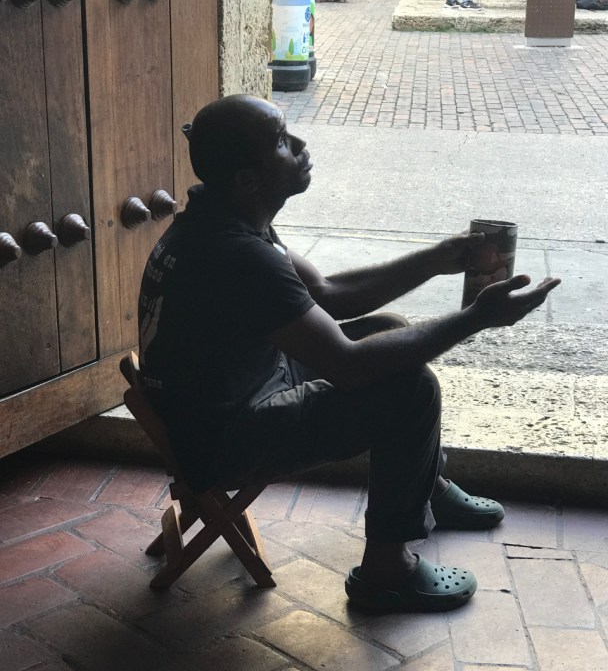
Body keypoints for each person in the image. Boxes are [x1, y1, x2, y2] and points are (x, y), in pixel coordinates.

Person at [138, 94, 560, 614]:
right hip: (226, 441)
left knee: (386, 330)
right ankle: (386, 571)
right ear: (248, 179)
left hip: (227, 396)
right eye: (281, 142)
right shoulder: (238, 254)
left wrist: (436, 259)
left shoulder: (222, 214)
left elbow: (328, 293)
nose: (300, 145)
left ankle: (426, 484)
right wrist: (477, 317)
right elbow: (349, 366)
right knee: (410, 390)